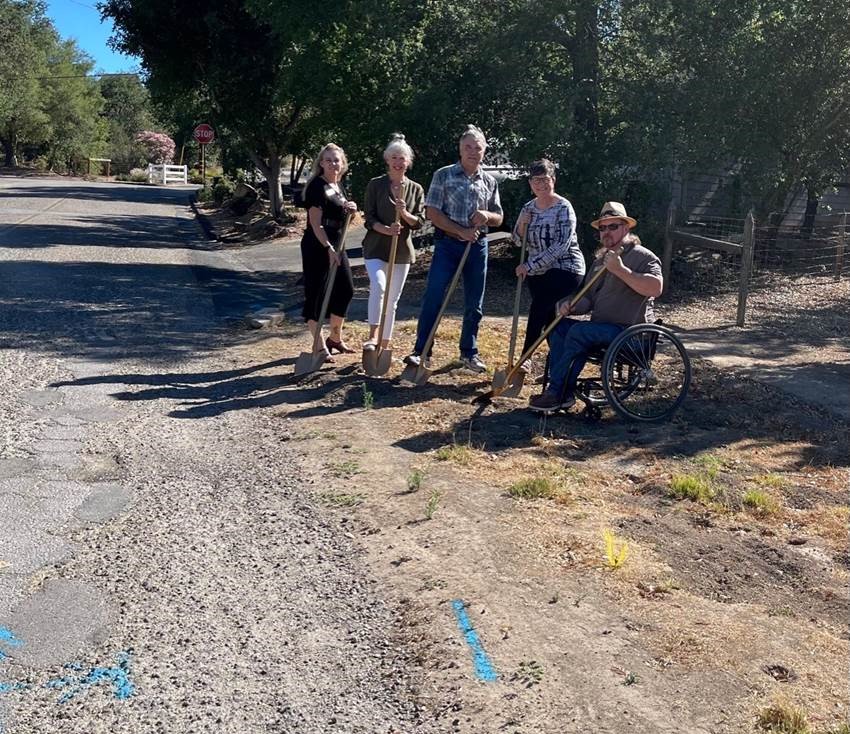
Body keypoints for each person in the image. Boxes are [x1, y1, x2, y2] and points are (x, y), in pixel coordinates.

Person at [528, 201, 663, 412]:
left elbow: (655, 288)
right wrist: (570, 305)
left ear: (626, 228)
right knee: (558, 327)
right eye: (602, 228)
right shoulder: (600, 260)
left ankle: (559, 391)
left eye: (613, 226)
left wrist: (621, 270)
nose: (606, 232)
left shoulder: (642, 256)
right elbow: (588, 299)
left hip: (629, 334)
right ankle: (561, 390)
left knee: (579, 331)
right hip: (601, 329)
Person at [403, 125, 503, 373]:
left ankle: (469, 353)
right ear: (460, 150)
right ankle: (421, 351)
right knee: (434, 297)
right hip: (447, 245)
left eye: (477, 147)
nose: (472, 151)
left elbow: (499, 217)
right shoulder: (444, 175)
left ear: (484, 151)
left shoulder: (490, 181)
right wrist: (460, 231)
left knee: (474, 304)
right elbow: (432, 213)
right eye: (468, 147)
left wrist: (486, 216)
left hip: (477, 248)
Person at [512, 159, 585, 368]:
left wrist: (530, 265)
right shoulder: (528, 208)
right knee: (549, 320)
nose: (541, 185)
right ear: (530, 183)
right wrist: (522, 226)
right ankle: (560, 365)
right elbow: (517, 240)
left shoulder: (564, 207)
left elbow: (561, 245)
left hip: (566, 269)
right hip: (538, 273)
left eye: (545, 180)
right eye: (536, 180)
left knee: (538, 309)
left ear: (553, 180)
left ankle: (525, 359)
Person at [361, 133, 426, 351]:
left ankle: (385, 343)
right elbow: (368, 218)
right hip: (376, 248)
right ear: (388, 160)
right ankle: (372, 336)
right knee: (379, 287)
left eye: (403, 158)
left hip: (401, 252)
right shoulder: (375, 185)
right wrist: (387, 230)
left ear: (408, 162)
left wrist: (405, 213)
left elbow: (419, 222)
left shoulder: (415, 189)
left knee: (393, 300)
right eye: (395, 158)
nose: (399, 162)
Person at [299, 143, 358, 360]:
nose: (333, 164)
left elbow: (343, 215)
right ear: (321, 163)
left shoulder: (339, 185)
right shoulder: (317, 186)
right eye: (329, 160)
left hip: (337, 242)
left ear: (343, 164)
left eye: (337, 160)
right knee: (316, 294)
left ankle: (335, 338)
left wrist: (351, 209)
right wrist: (328, 248)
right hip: (318, 244)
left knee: (346, 289)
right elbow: (316, 223)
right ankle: (319, 345)